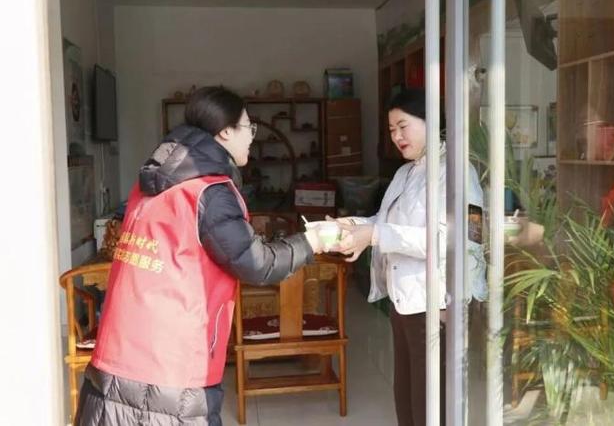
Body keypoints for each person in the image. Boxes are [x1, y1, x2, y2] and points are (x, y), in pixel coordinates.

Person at [75, 86, 325, 426]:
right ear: (225, 132)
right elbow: (258, 265)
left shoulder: (149, 186)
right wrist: (313, 241)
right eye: (248, 127)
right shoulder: (209, 191)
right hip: (170, 371)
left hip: (115, 358)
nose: (251, 138)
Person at [332, 89, 486, 426]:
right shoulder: (406, 173)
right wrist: (354, 225)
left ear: (431, 122)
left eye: (403, 126)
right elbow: (385, 221)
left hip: (437, 307)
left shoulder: (457, 173)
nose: (396, 136)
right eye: (391, 130)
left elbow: (457, 240)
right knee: (407, 402)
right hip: (405, 304)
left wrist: (374, 235)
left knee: (432, 409)